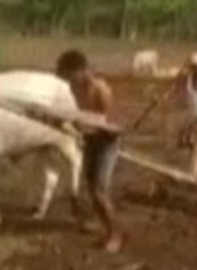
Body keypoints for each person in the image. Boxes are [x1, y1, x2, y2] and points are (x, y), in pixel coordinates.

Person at [55, 49, 123, 253]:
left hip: (107, 142)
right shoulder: (73, 90)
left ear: (81, 71)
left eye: (68, 74)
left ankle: (115, 234)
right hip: (91, 139)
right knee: (91, 185)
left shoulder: (101, 89)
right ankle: (99, 223)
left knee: (99, 191)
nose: (66, 79)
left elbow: (112, 123)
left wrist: (83, 125)